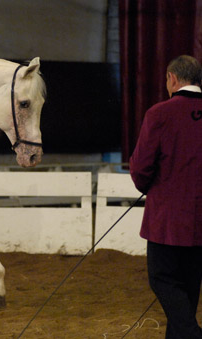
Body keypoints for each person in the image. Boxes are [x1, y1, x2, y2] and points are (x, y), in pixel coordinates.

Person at [130, 55, 202, 339]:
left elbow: (140, 167)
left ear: (172, 78)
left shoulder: (159, 114)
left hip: (168, 220)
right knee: (188, 287)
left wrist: (148, 186)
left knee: (162, 279)